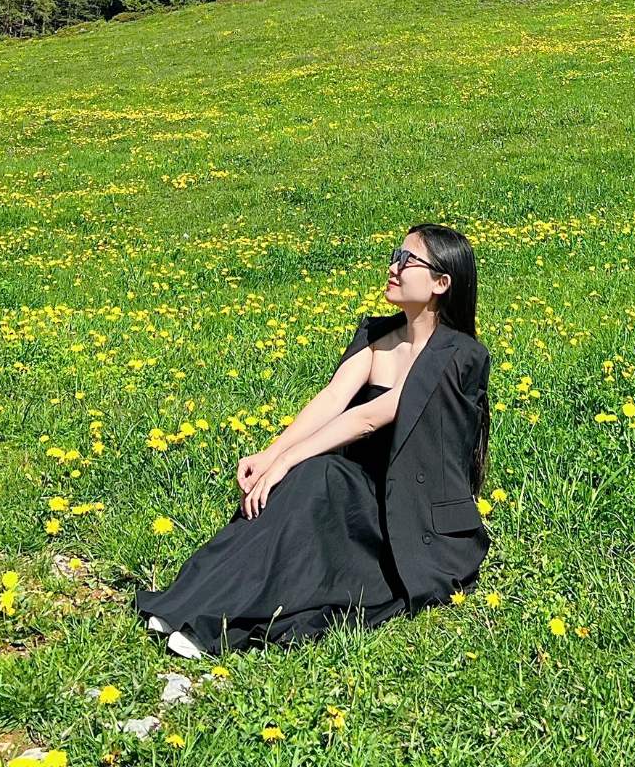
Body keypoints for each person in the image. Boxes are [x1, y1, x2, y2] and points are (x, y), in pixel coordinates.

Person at [134, 222, 491, 658]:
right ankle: (189, 603)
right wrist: (272, 454)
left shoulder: (460, 355)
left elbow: (371, 416)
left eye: (407, 260)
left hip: (412, 520)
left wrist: (289, 460)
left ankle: (220, 624)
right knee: (300, 483)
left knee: (312, 476)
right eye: (395, 255)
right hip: (355, 491)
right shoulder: (378, 336)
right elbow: (333, 399)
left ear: (441, 282)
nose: (393, 267)